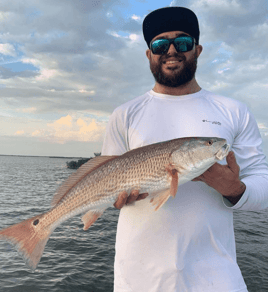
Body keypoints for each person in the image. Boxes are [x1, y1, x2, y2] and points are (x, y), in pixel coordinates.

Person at [101, 6, 268, 292]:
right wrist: (115, 199)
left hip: (217, 278)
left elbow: (263, 187)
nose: (171, 50)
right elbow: (106, 181)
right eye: (159, 44)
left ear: (197, 50)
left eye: (183, 42)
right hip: (138, 279)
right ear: (148, 53)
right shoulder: (124, 114)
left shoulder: (234, 111)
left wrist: (234, 189)